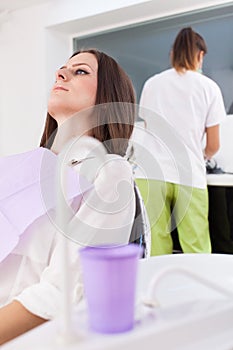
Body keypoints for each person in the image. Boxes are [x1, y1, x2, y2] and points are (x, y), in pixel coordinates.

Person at [0, 49, 137, 344]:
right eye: (63, 69)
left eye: (81, 71)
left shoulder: (110, 173)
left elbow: (61, 292)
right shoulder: (25, 169)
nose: (60, 74)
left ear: (109, 98)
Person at [135, 27, 226, 256]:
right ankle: (198, 291)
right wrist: (201, 155)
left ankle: (158, 291)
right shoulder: (209, 88)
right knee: (196, 245)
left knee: (156, 243)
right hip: (189, 173)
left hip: (151, 172)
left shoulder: (152, 84)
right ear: (200, 55)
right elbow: (214, 145)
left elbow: (148, 130)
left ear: (172, 54)